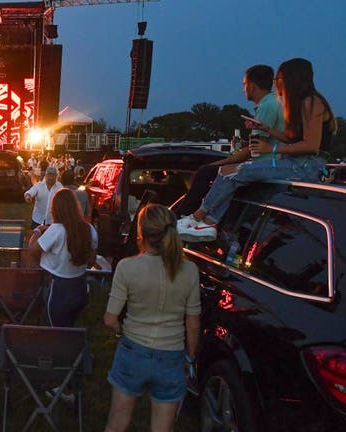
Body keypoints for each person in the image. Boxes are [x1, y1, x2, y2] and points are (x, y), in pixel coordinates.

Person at [177, 58, 336, 241]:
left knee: (231, 171)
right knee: (229, 172)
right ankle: (208, 223)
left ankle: (197, 218)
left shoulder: (311, 102)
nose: (276, 83)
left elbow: (311, 146)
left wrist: (271, 148)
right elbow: (296, 140)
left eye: (279, 78)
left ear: (293, 78)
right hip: (300, 163)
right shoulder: (303, 103)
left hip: (306, 166)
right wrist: (266, 129)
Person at [103, 204, 200, 432]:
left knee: (116, 425)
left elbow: (109, 319)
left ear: (141, 233)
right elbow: (192, 320)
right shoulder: (189, 271)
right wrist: (190, 357)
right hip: (171, 356)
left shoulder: (127, 267)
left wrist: (120, 331)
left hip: (133, 350)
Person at [174, 65, 285, 217]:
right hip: (273, 163)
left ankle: (185, 217)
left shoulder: (266, 106)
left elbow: (253, 151)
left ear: (252, 86)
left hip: (264, 166)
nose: (243, 89)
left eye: (244, 84)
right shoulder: (276, 102)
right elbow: (263, 142)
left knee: (204, 173)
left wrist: (219, 164)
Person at [28, 188, 97, 327]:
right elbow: (91, 260)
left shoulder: (56, 230)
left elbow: (32, 250)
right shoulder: (89, 229)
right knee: (69, 327)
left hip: (58, 289)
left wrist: (37, 231)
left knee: (56, 333)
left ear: (55, 209)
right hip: (80, 287)